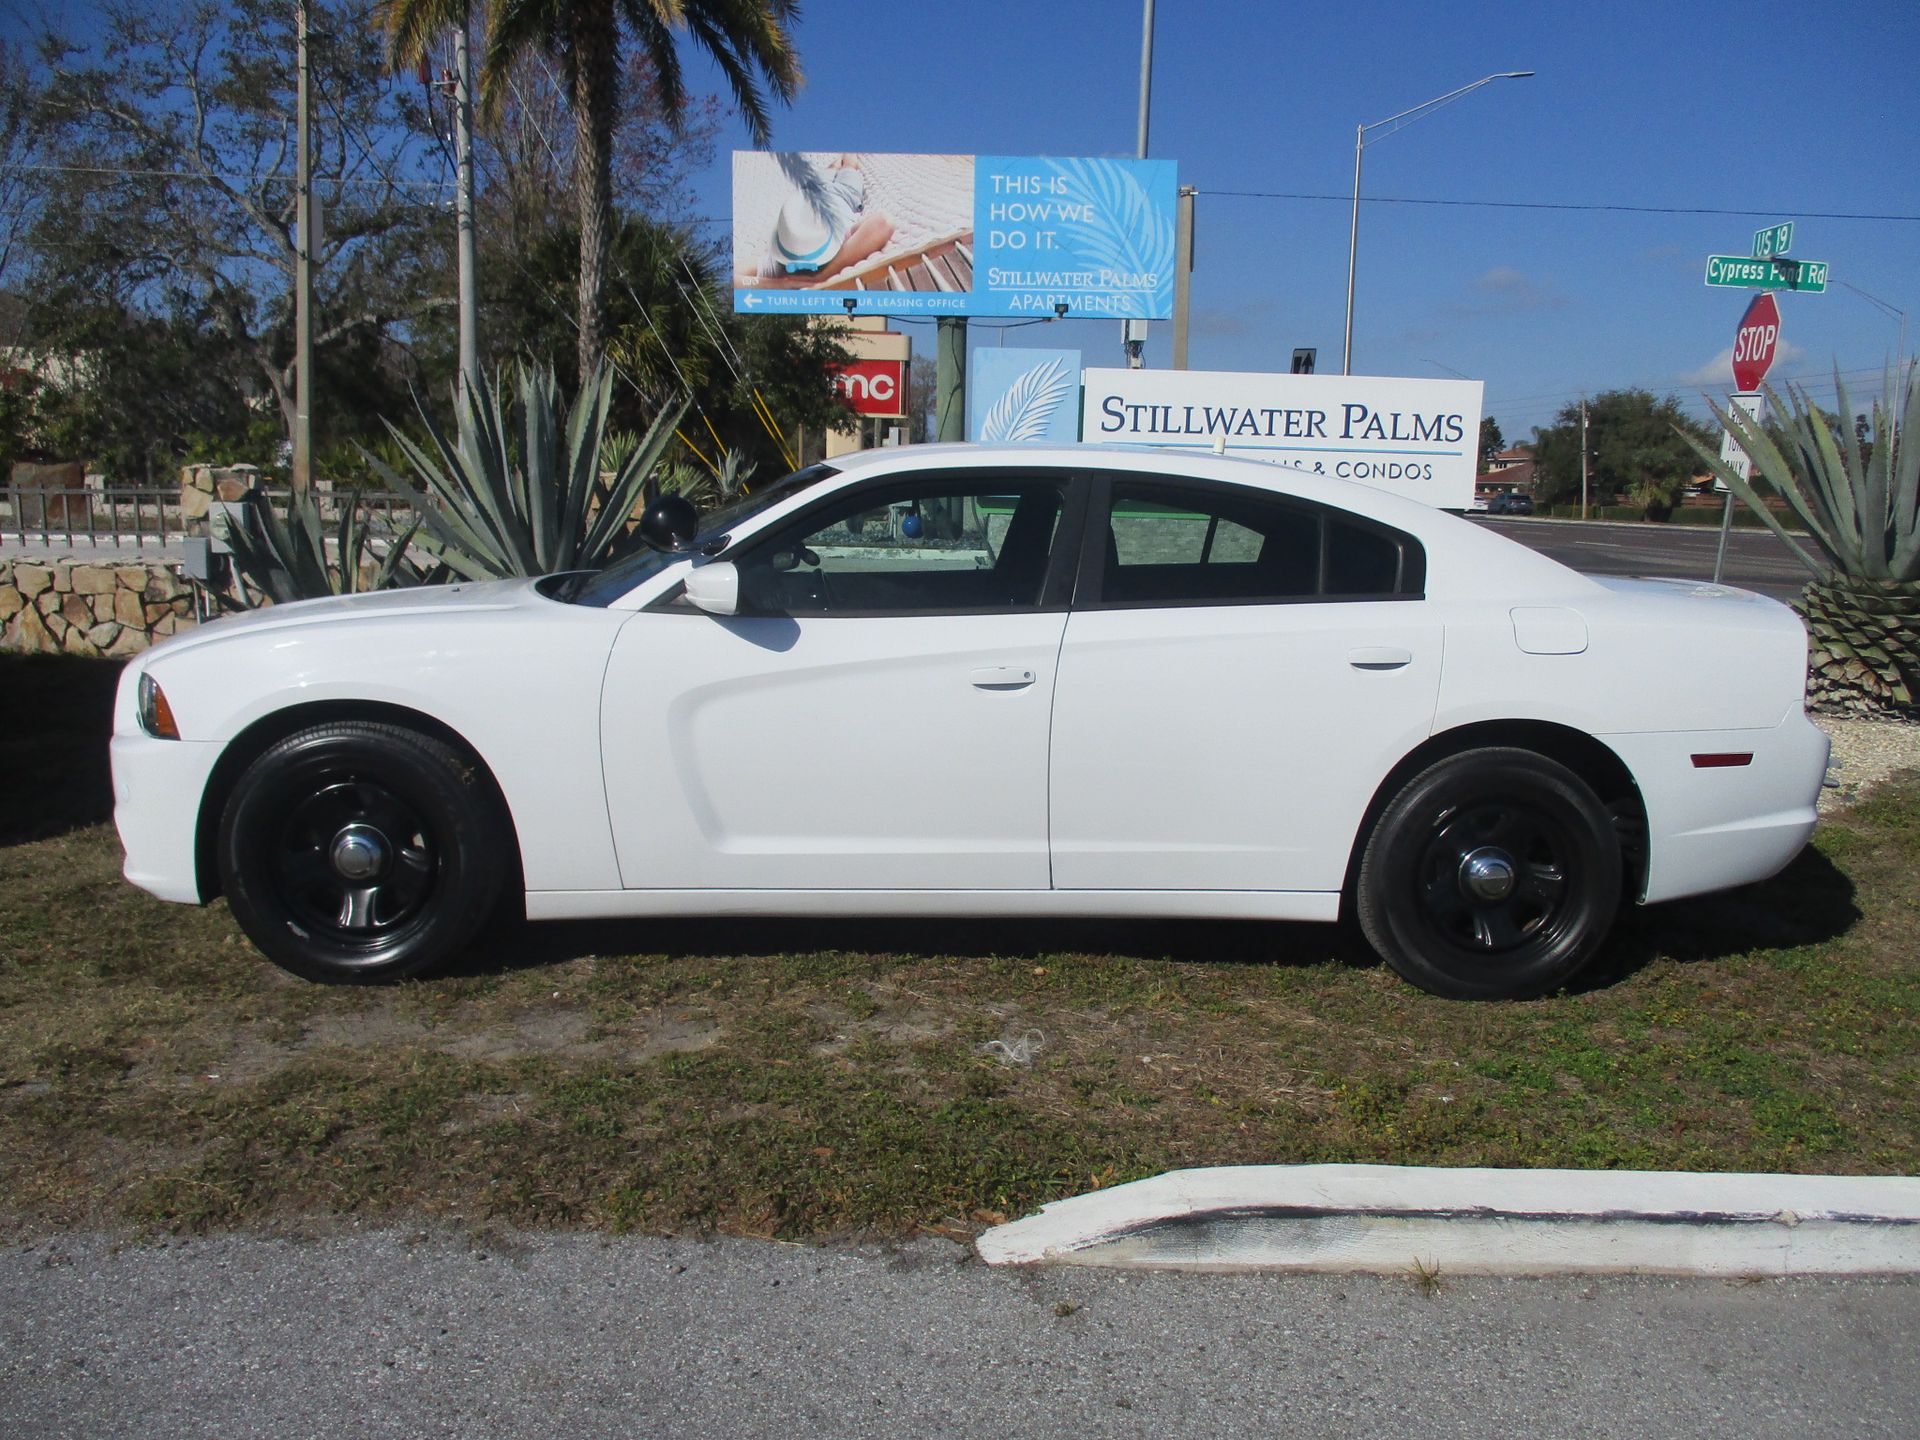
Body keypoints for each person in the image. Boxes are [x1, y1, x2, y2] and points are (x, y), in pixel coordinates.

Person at [740, 154, 895, 289]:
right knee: (849, 166)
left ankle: (842, 155)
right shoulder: (840, 245)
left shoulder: (782, 264)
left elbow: (736, 277)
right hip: (844, 194)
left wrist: (805, 280)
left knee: (837, 166)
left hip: (810, 194)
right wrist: (820, 276)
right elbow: (883, 223)